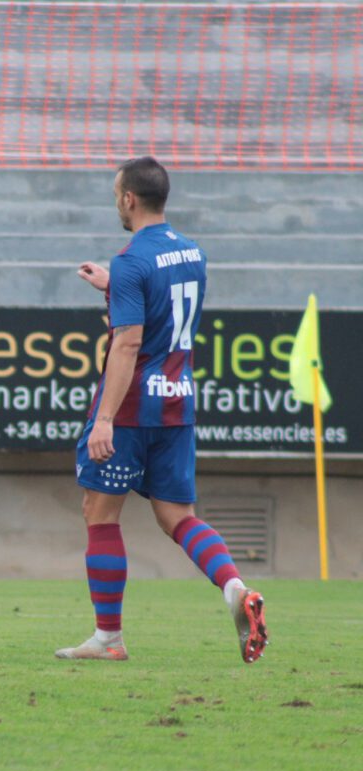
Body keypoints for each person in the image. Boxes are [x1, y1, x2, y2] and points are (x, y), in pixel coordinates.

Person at [56, 157, 268, 663]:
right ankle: (236, 589)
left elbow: (127, 344)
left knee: (99, 512)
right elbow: (162, 307)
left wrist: (104, 418)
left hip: (131, 406)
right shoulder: (192, 252)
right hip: (178, 398)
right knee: (176, 515)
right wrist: (114, 285)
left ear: (129, 198)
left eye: (116, 195)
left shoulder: (132, 259)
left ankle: (109, 638)